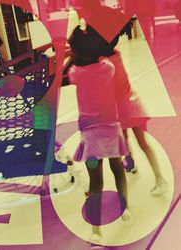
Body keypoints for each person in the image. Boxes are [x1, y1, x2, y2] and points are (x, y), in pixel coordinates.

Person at [84, 23, 167, 196]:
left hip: (119, 110)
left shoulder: (102, 64)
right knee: (143, 143)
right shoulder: (117, 56)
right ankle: (158, 177)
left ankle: (134, 165)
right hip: (132, 104)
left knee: (125, 141)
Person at [67, 25, 132, 240]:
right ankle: (125, 207)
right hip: (111, 131)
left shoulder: (75, 73)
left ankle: (96, 230)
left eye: (73, 50)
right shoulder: (107, 68)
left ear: (82, 53)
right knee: (118, 169)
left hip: (91, 136)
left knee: (96, 182)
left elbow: (71, 69)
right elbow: (103, 59)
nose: (72, 54)